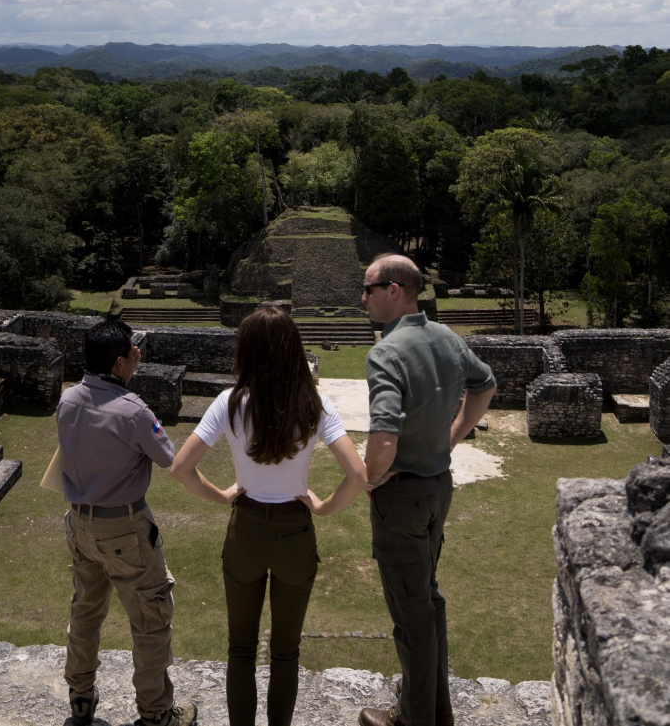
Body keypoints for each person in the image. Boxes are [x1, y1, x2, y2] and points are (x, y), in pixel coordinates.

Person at [171, 304, 368, 726]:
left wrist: (223, 496)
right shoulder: (314, 403)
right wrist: (323, 506)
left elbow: (181, 469)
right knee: (286, 651)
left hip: (246, 531)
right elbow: (357, 475)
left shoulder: (229, 402)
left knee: (240, 648)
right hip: (295, 533)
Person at [358, 255, 497, 726]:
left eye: (369, 288)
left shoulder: (387, 352)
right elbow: (486, 384)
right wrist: (453, 436)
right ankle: (436, 708)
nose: (364, 298)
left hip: (402, 498)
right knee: (428, 598)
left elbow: (383, 437)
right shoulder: (446, 337)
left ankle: (413, 719)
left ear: (394, 290)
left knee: (410, 612)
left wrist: (370, 476)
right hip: (439, 487)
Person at [57, 320, 197, 726]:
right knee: (151, 620)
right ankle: (156, 713)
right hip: (124, 529)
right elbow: (171, 458)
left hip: (79, 525)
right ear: (118, 363)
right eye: (133, 353)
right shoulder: (133, 411)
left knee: (85, 610)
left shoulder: (67, 400)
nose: (139, 356)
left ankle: (80, 697)